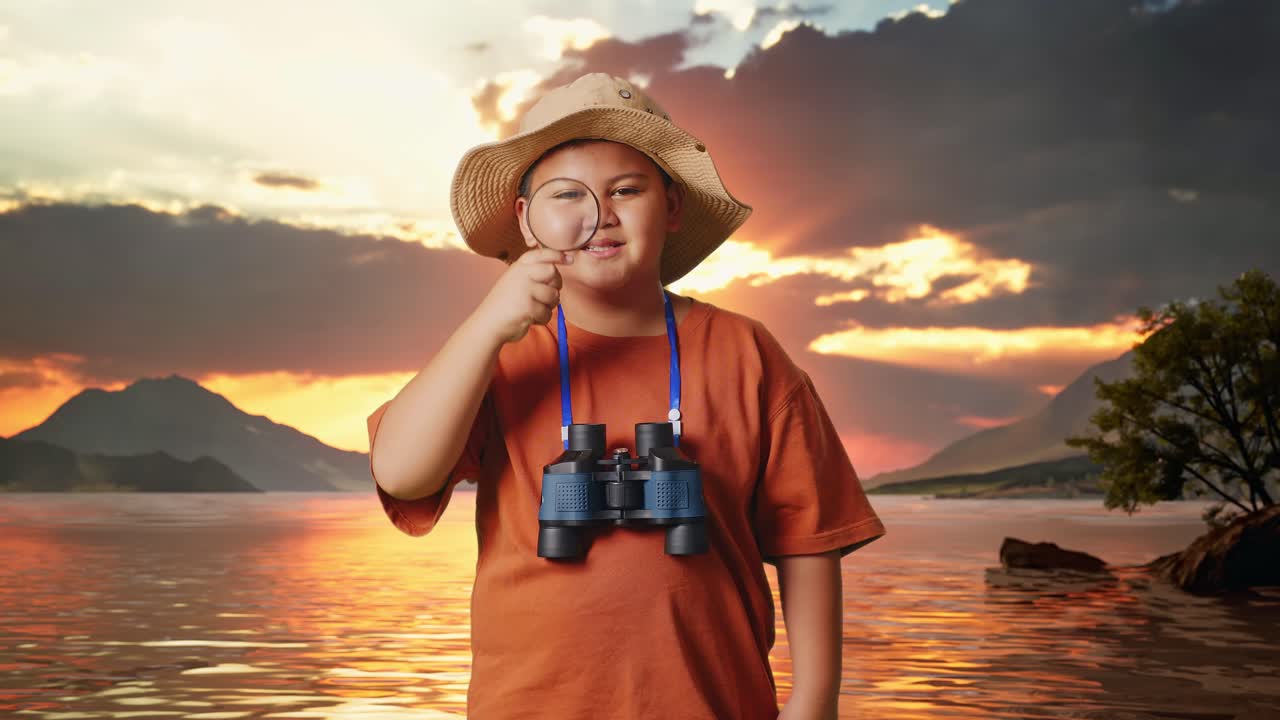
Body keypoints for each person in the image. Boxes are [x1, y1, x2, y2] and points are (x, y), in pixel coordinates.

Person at [366, 72, 886, 719]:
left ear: (671, 209)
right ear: (527, 222)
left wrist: (814, 701)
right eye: (568, 195)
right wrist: (486, 327)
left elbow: (808, 540)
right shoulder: (496, 357)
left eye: (627, 190)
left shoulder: (746, 353)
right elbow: (401, 472)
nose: (601, 214)